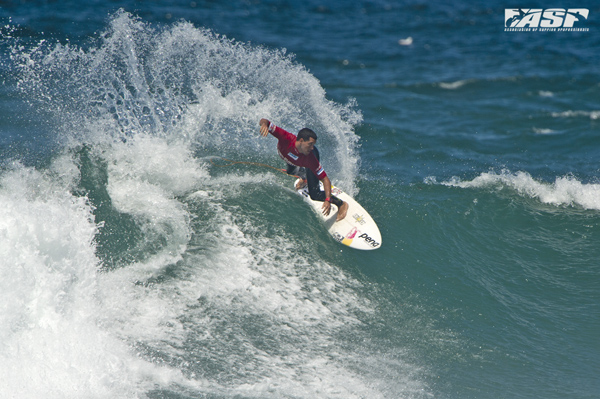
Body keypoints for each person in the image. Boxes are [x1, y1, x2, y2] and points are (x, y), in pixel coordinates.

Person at [259, 118, 349, 221]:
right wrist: (264, 125)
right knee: (290, 172)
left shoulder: (311, 158)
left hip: (305, 162)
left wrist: (328, 199)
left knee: (315, 195)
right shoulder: (286, 137)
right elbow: (264, 121)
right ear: (301, 141)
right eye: (310, 144)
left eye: (313, 145)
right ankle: (305, 179)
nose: (312, 147)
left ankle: (341, 204)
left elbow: (325, 179)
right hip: (292, 160)